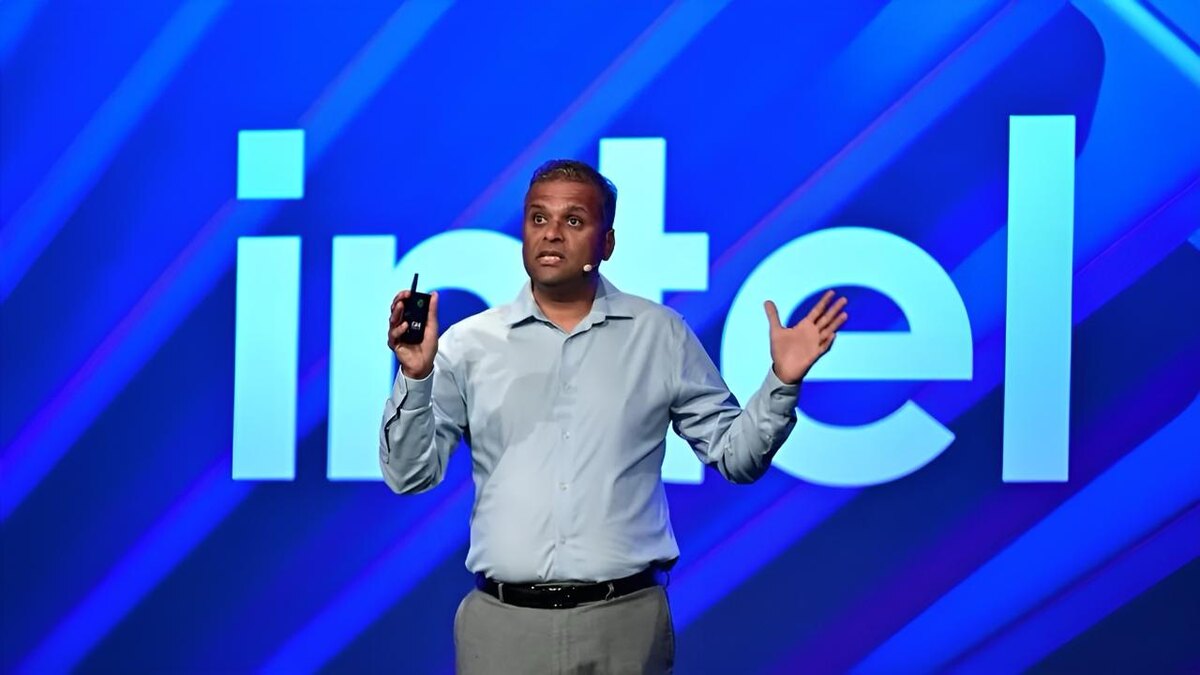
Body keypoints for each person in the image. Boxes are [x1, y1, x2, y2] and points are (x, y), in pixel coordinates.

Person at [380, 159, 848, 674]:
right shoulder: (468, 344)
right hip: (502, 627)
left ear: (607, 244)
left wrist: (782, 380)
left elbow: (737, 458)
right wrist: (416, 376)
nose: (551, 233)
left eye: (573, 221)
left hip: (624, 623)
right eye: (538, 218)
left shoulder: (659, 334)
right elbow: (409, 475)